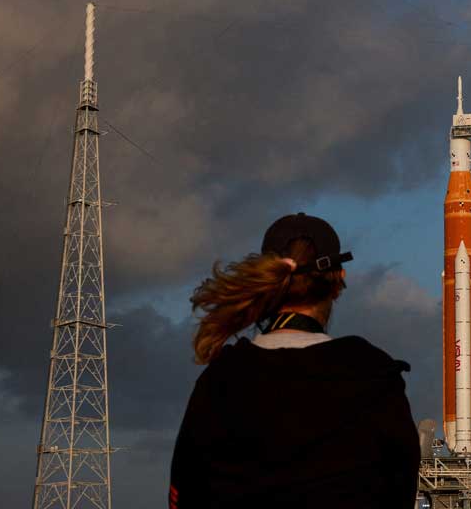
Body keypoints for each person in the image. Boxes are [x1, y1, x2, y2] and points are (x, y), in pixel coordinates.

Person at [169, 213, 420, 508]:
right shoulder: (376, 379)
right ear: (339, 280)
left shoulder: (220, 382)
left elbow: (184, 491)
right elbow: (400, 489)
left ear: (269, 279)